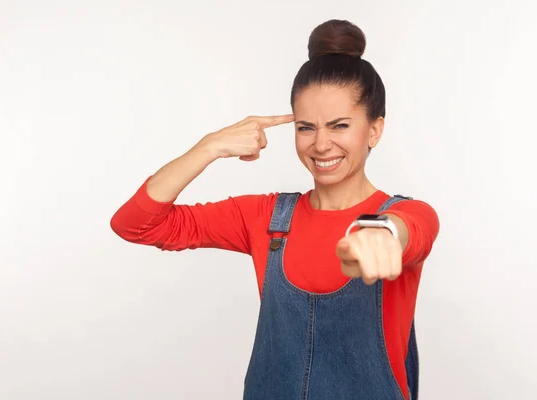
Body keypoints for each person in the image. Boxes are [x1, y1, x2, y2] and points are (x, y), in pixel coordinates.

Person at [111, 19, 439, 400]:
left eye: (339, 126)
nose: (321, 145)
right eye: (305, 127)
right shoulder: (266, 219)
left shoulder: (409, 215)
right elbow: (134, 225)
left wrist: (382, 236)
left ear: (374, 130)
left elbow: (406, 231)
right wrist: (209, 147)